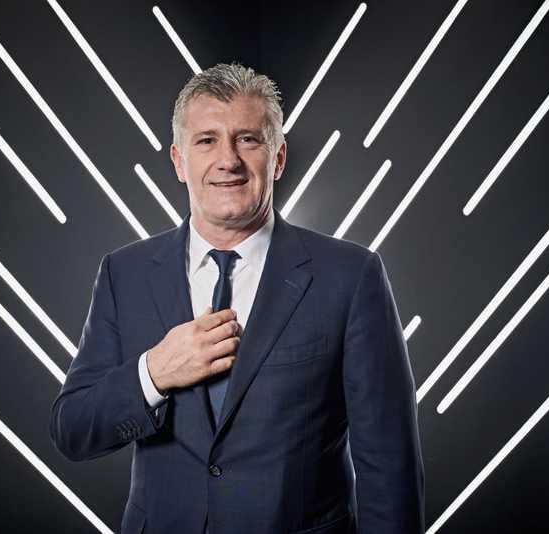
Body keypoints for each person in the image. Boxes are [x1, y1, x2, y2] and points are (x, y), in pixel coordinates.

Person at [50, 62, 424, 534]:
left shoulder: (351, 276)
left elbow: (389, 465)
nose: (228, 160)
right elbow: (73, 430)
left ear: (278, 158)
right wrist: (153, 373)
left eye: (247, 139)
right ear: (179, 161)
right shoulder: (123, 273)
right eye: (206, 140)